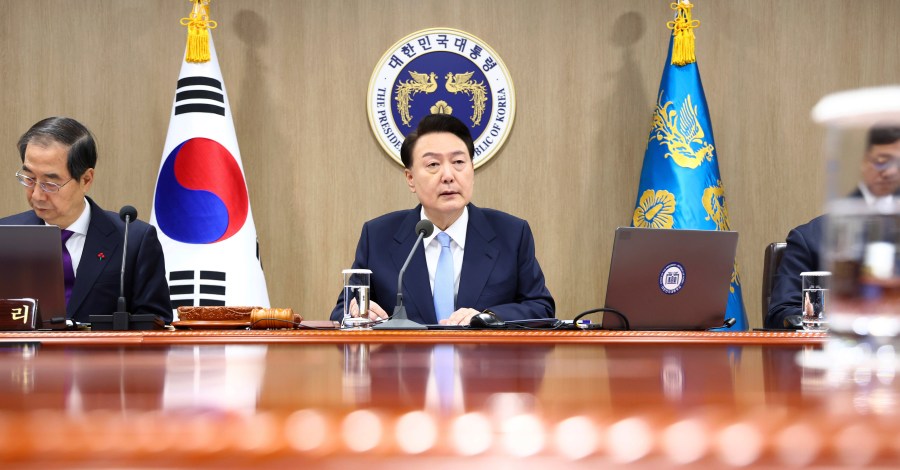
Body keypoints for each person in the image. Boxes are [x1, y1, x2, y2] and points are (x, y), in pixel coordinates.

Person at [330, 113, 555, 325]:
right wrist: (359, 312)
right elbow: (342, 311)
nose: (448, 176)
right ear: (410, 178)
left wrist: (489, 318)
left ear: (472, 170)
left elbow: (541, 307)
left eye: (458, 162)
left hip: (486, 364)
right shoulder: (378, 237)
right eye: (433, 165)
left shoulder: (512, 234)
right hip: (405, 366)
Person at [0, 117, 172, 324]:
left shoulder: (133, 240)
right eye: (29, 179)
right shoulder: (6, 236)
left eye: (50, 183)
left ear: (86, 179)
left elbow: (156, 322)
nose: (36, 195)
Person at [766, 126, 900, 328]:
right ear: (864, 164)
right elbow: (781, 312)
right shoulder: (810, 238)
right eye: (881, 161)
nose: (891, 171)